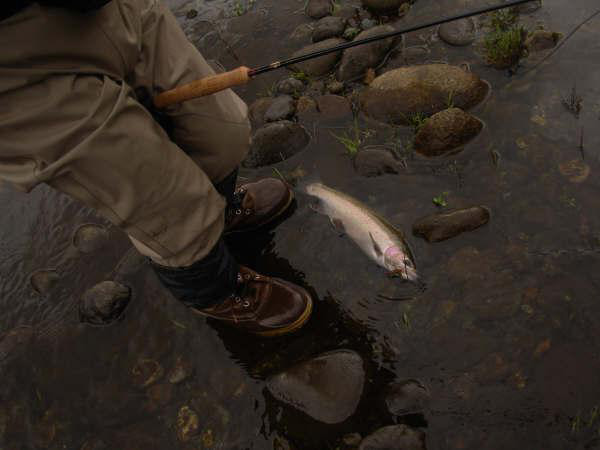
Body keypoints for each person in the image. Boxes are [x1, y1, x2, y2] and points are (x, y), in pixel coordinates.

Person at [0, 0, 313, 337]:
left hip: (116, 10)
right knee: (168, 205)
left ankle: (219, 217)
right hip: (15, 70)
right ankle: (214, 292)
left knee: (222, 134)